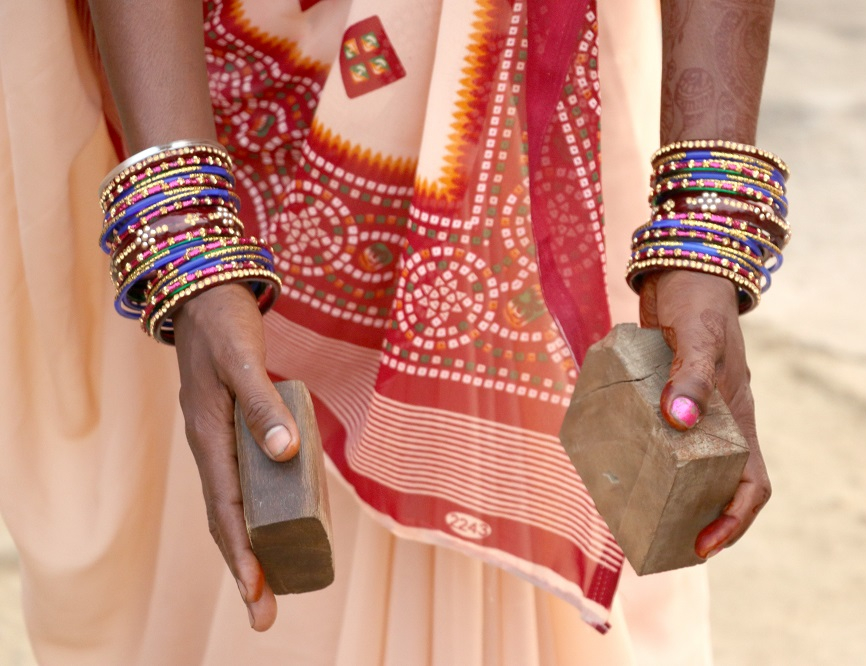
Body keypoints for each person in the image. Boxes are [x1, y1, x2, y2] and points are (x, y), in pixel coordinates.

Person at [0, 0, 781, 662]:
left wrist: (706, 225)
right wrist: (184, 237)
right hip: (180, 93)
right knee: (207, 501)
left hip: (529, 101)